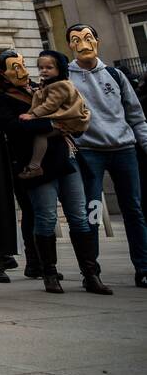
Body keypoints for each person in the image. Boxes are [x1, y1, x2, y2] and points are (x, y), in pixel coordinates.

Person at [0, 49, 111, 295]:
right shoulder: (0, 97)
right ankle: (48, 272)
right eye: (14, 67)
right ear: (1, 73)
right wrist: (55, 124)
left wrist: (61, 124)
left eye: (23, 65)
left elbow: (78, 113)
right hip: (35, 165)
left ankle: (91, 274)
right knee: (46, 217)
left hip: (65, 159)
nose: (22, 71)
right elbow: (16, 127)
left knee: (78, 215)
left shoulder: (43, 88)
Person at [66, 24, 147, 288]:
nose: (83, 43)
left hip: (124, 149)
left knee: (134, 209)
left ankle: (143, 268)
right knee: (91, 210)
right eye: (76, 40)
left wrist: (144, 143)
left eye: (88, 38)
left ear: (97, 42)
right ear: (70, 46)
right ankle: (91, 271)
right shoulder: (67, 78)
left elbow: (135, 114)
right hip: (89, 152)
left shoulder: (115, 74)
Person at [18, 51, 89, 179]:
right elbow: (44, 94)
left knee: (41, 134)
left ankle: (35, 166)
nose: (44, 71)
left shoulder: (60, 85)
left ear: (59, 69)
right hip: (65, 120)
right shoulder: (51, 83)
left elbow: (50, 105)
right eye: (41, 68)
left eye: (49, 68)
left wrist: (33, 115)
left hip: (66, 120)